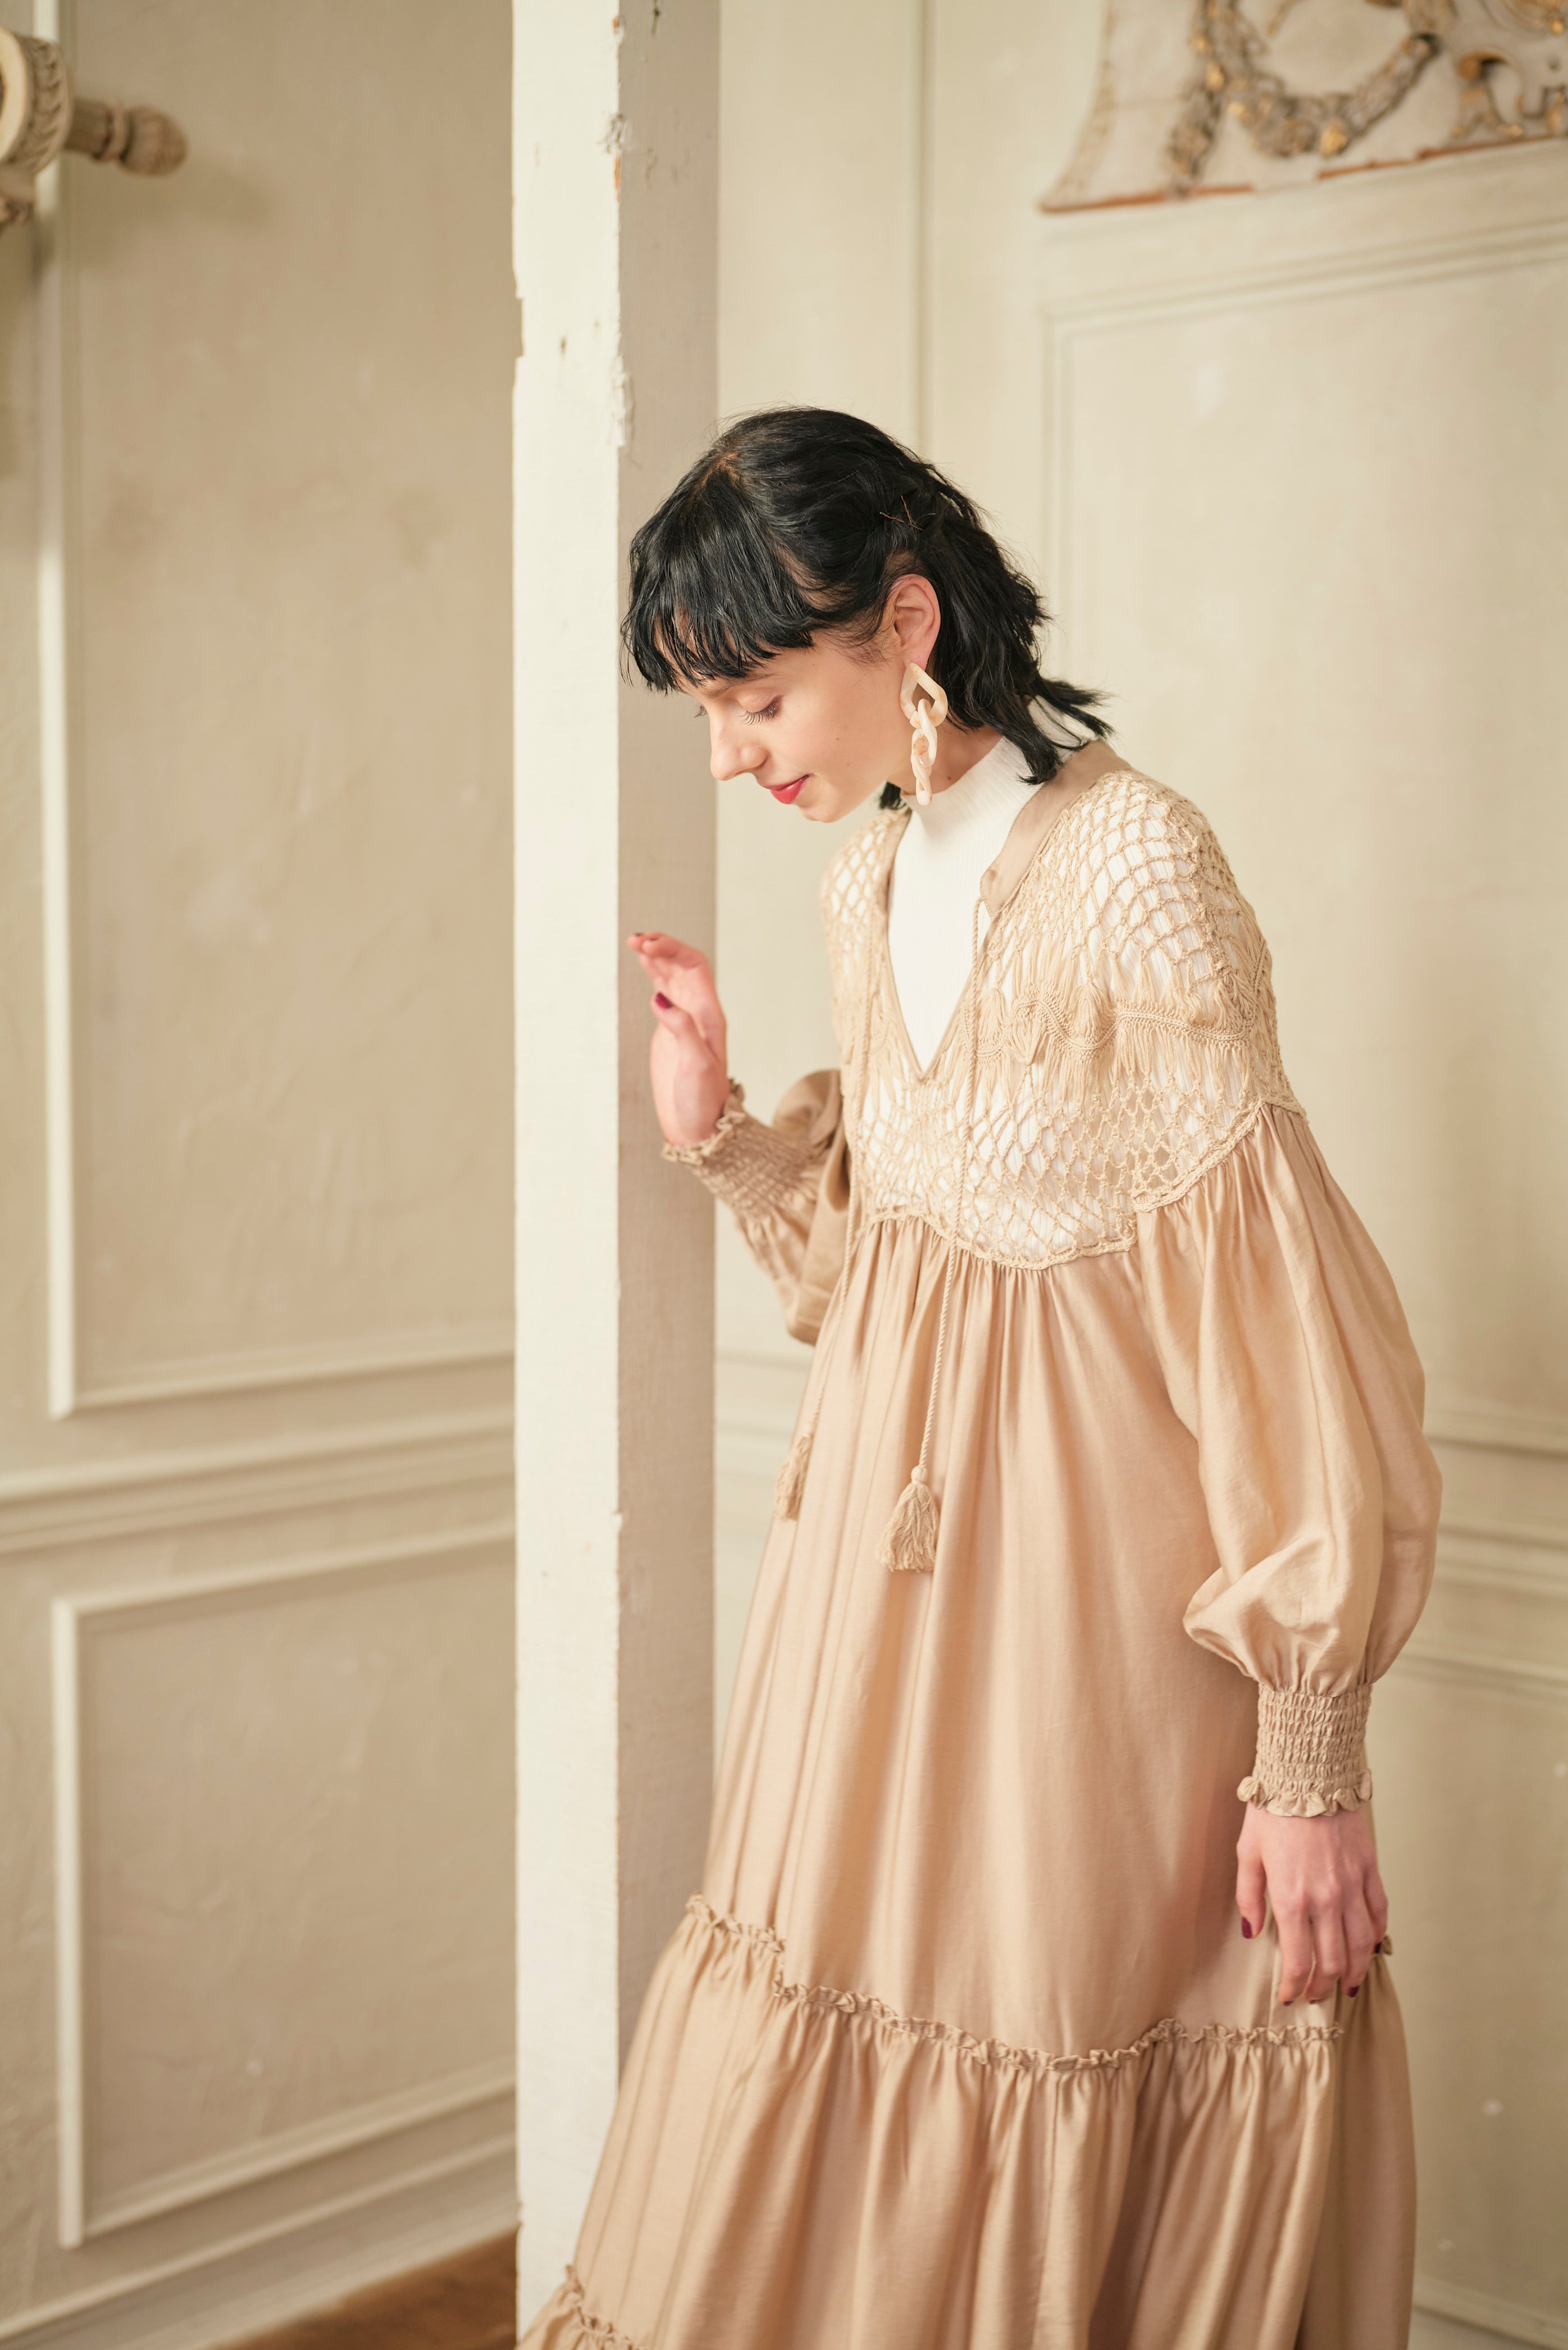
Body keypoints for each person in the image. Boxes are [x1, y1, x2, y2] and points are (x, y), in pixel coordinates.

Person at [519, 408, 1441, 2350]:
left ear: (907, 623)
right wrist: (722, 1134)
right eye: (711, 711)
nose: (730, 754)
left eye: (755, 698)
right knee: (838, 2050)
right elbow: (902, 1283)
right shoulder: (866, 879)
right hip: (871, 1637)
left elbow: (1275, 1330)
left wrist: (1309, 1757)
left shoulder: (1137, 871)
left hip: (1091, 1643)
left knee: (1072, 2040)